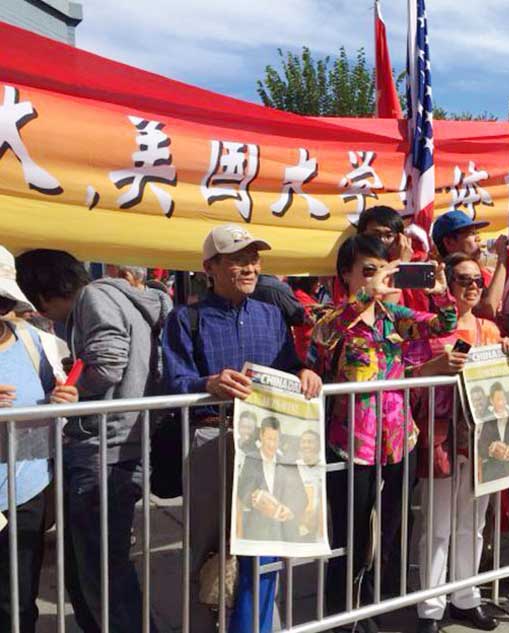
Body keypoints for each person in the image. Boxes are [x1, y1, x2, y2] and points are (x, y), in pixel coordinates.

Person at [161, 224, 322, 633]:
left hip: (269, 442)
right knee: (206, 548)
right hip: (210, 441)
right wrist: (207, 384)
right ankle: (200, 626)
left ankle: (260, 625)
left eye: (253, 259)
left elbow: (288, 366)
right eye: (237, 259)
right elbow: (174, 381)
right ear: (209, 267)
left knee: (266, 543)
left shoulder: (271, 315)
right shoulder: (186, 319)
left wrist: (304, 372)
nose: (249, 267)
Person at [16, 248, 171, 633]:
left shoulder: (94, 296)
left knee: (103, 572)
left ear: (45, 295)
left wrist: (70, 387)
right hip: (115, 445)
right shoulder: (124, 297)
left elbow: (108, 362)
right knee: (89, 568)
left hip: (106, 449)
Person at [312, 234, 456, 633]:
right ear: (347, 275)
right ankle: (343, 617)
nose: (377, 280)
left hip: (399, 443)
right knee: (351, 539)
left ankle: (370, 607)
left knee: (388, 535)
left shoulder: (395, 317)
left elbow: (444, 323)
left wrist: (440, 293)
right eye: (367, 272)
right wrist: (364, 298)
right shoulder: (336, 317)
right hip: (353, 445)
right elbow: (321, 339)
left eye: (382, 270)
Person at [406, 252, 509, 633]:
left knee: (474, 520)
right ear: (447, 283)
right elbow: (409, 374)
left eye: (477, 281)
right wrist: (433, 369)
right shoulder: (429, 328)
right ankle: (431, 608)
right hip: (441, 429)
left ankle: (466, 597)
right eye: (463, 279)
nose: (471, 286)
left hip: (481, 433)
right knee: (437, 526)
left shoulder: (489, 329)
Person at [0, 247, 79, 633]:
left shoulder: (32, 340)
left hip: (26, 490)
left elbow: (53, 392)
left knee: (17, 601)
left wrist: (63, 397)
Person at [236, 417, 308, 542]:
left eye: (275, 439)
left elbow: (302, 497)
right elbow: (242, 491)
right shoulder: (251, 459)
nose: (272, 444)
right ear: (261, 435)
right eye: (269, 439)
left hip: (285, 535)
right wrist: (253, 497)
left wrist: (290, 510)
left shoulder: (288, 462)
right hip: (259, 534)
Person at [432, 210, 508, 319]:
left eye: (478, 281)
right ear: (449, 242)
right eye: (472, 234)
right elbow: (486, 311)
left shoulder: (482, 272)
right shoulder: (440, 278)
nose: (478, 239)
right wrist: (502, 259)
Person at [477, 383, 509, 483]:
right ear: (492, 401)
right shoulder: (487, 419)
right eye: (498, 399)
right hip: (493, 471)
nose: (502, 403)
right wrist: (491, 450)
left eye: (503, 399)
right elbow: (481, 445)